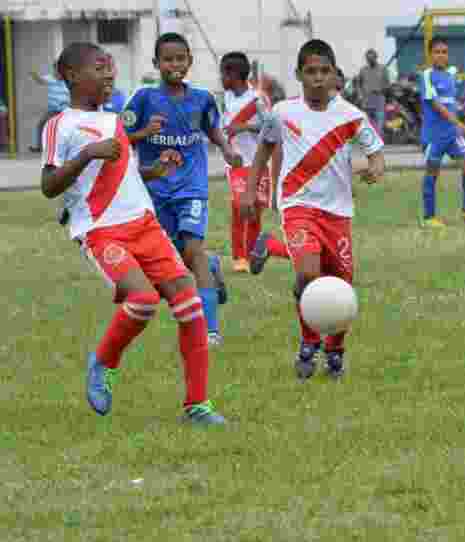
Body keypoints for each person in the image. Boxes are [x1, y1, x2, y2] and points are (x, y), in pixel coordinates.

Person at [40, 42, 225, 425]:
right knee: (141, 300)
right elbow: (49, 185)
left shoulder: (114, 122)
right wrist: (87, 154)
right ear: (72, 76)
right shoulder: (61, 125)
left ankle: (198, 406)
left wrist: (156, 171)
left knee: (190, 307)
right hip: (102, 232)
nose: (109, 75)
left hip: (145, 225)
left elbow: (123, 174)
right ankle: (103, 363)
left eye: (110, 69)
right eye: (99, 68)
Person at [241, 39, 385, 380]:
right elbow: (263, 150)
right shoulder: (282, 112)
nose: (318, 78)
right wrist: (251, 191)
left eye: (325, 71)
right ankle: (308, 343)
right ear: (299, 75)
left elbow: (376, 152)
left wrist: (375, 168)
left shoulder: (351, 116)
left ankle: (335, 350)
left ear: (335, 75)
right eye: (311, 71)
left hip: (337, 212)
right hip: (298, 204)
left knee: (341, 286)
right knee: (308, 273)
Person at [121, 32, 243, 347]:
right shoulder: (143, 99)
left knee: (191, 250)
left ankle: (210, 331)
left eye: (180, 58)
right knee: (173, 259)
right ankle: (212, 264)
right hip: (154, 190)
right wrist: (145, 132)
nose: (175, 64)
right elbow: (119, 140)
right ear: (156, 64)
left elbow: (213, 130)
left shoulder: (202, 98)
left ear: (189, 61)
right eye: (168, 59)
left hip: (191, 188)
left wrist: (228, 150)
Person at [219, 51, 289, 273]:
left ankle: (253, 253)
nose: (220, 78)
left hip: (259, 162)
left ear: (235, 74)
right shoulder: (226, 98)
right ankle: (238, 257)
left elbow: (272, 127)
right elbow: (224, 126)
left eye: (223, 73)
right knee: (240, 205)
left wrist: (246, 127)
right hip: (238, 163)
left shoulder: (257, 100)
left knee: (255, 209)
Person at [419, 37, 465, 228]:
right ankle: (429, 217)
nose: (441, 55)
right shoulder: (426, 75)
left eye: (444, 52)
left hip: (452, 133)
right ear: (430, 55)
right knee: (432, 172)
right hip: (434, 135)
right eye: (437, 52)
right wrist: (458, 122)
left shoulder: (450, 76)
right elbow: (436, 104)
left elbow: (452, 102)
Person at [30, 62, 70, 152]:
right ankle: (39, 147)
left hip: (66, 110)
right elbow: (40, 80)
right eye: (56, 70)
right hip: (53, 110)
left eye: (59, 70)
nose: (57, 73)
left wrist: (66, 102)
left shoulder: (68, 80)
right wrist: (34, 75)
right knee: (41, 123)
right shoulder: (50, 78)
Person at [357, 49, 389, 135]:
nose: (370, 60)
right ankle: (371, 141)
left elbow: (387, 83)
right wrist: (360, 95)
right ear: (366, 59)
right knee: (368, 122)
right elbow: (358, 83)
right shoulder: (363, 70)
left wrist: (382, 89)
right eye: (368, 59)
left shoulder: (383, 69)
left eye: (372, 58)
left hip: (379, 98)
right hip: (367, 99)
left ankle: (378, 140)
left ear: (376, 57)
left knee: (380, 121)